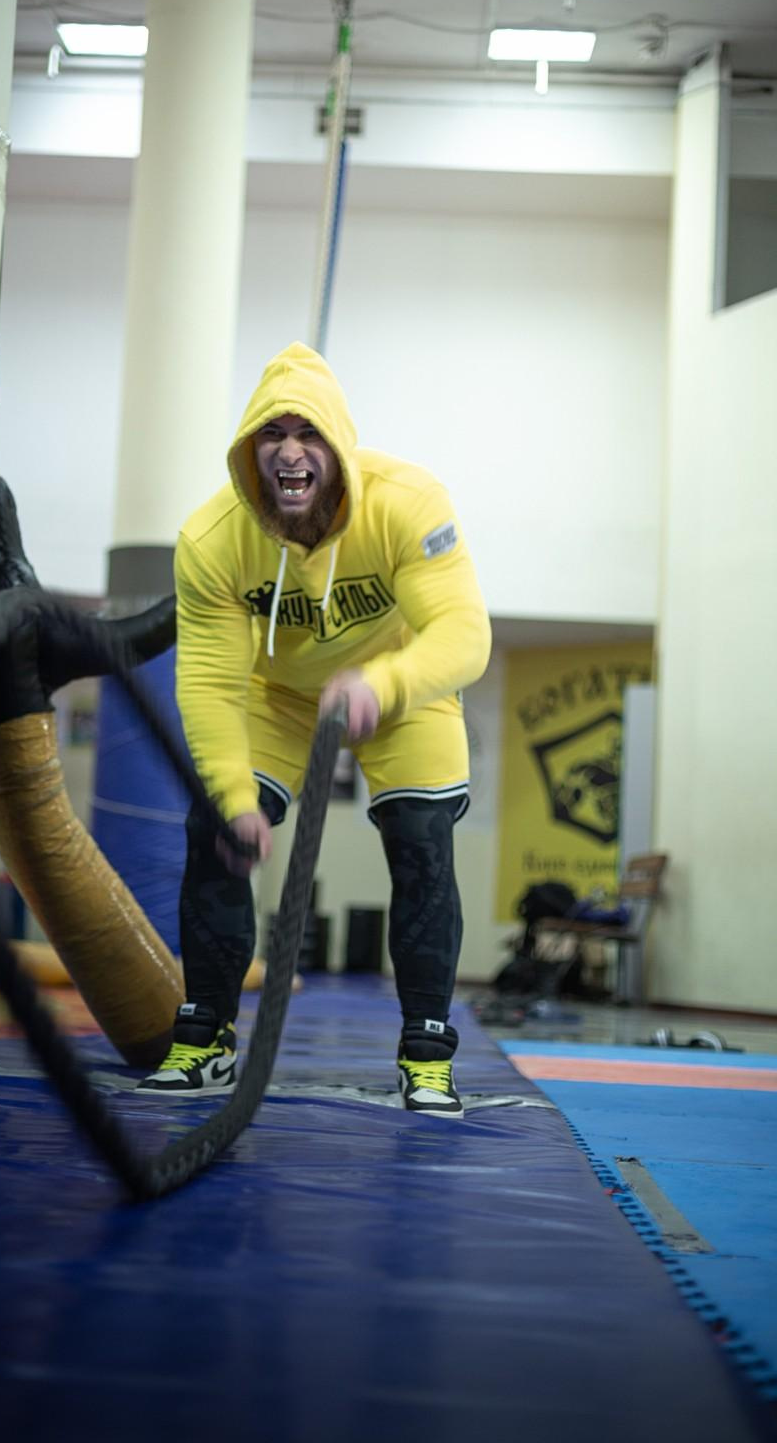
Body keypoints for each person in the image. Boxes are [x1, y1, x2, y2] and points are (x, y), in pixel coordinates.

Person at [137, 342, 491, 1115]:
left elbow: (463, 635)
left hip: (400, 683)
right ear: (248, 451)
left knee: (420, 841)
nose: (289, 452)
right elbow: (208, 683)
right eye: (271, 436)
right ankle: (205, 1039)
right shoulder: (213, 539)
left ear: (336, 446)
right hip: (280, 693)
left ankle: (426, 1054)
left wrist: (385, 682)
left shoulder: (407, 501)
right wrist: (234, 796)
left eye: (308, 434)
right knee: (215, 830)